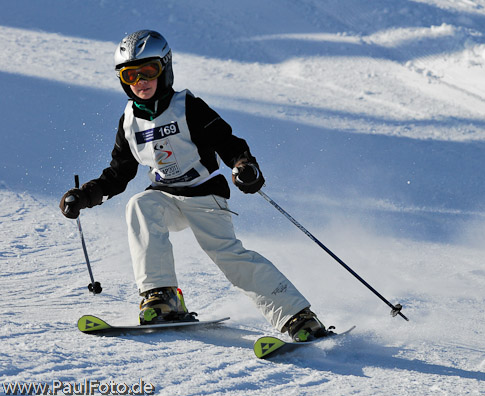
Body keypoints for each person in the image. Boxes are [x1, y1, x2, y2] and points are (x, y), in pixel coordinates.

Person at [60, 30, 330, 342]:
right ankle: (162, 299)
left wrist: (245, 166)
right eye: (130, 74)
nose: (140, 81)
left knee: (228, 256)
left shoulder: (188, 106)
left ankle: (298, 318)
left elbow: (229, 143)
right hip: (165, 196)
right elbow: (118, 173)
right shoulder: (129, 122)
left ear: (165, 68)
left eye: (148, 71)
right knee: (140, 205)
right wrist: (85, 196)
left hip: (205, 196)